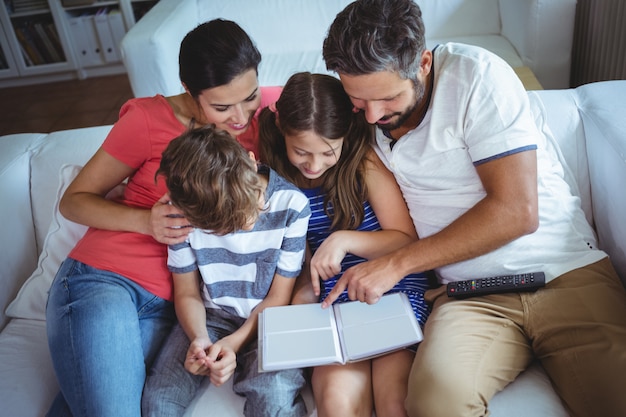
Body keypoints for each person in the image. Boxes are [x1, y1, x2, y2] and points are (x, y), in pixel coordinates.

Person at [321, 1, 626, 417]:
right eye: (358, 99)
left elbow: (518, 210)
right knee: (433, 403)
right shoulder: (361, 115)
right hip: (469, 297)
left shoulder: (476, 76)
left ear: (423, 63)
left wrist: (396, 265)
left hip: (564, 273)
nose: (373, 115)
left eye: (388, 97)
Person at [45, 19, 280, 417]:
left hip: (178, 308)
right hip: (106, 282)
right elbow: (74, 201)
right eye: (222, 107)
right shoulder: (148, 120)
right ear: (189, 90)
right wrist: (144, 222)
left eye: (250, 97)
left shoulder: (267, 118)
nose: (240, 118)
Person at [258, 72, 431, 417]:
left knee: (394, 401)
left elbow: (405, 239)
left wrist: (343, 240)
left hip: (391, 289)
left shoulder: (362, 162)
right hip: (332, 301)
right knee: (337, 406)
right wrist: (303, 295)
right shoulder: (274, 173)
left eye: (327, 152)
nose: (314, 164)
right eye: (301, 152)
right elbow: (298, 260)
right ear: (281, 127)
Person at [141, 126, 310, 417]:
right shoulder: (181, 215)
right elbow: (187, 292)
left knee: (273, 402)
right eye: (231, 225)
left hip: (271, 318)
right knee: (159, 401)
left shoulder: (292, 206)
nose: (249, 222)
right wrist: (199, 338)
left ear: (252, 160)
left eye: (253, 202)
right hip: (210, 315)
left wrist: (234, 343)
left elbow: (278, 297)